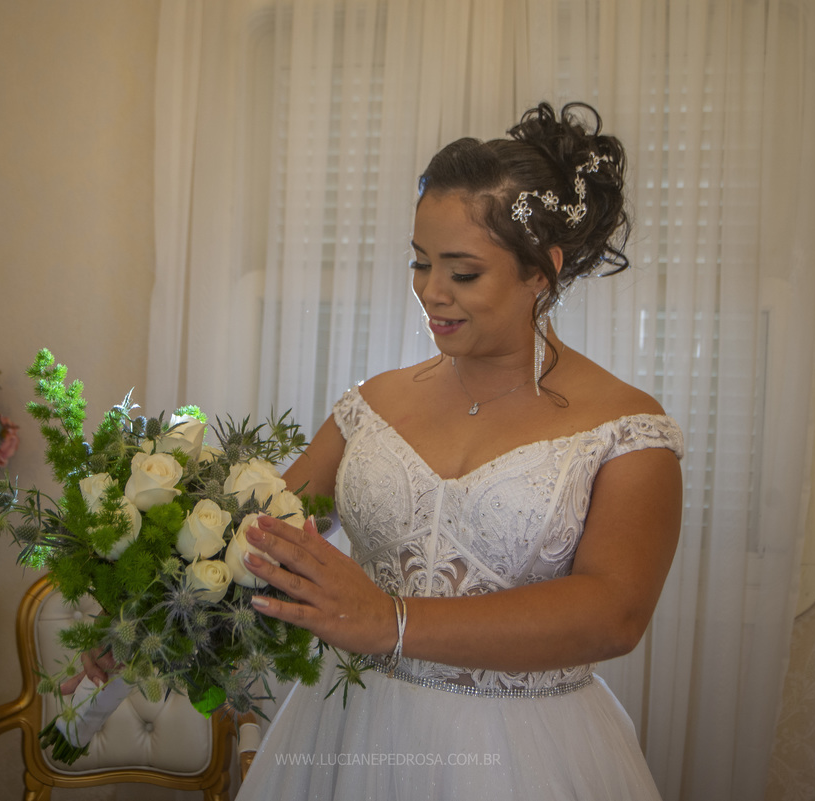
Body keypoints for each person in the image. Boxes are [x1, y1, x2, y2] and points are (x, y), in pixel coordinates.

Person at [229, 101, 684, 800]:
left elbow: (614, 614)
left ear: (542, 272)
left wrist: (392, 621)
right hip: (347, 732)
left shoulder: (627, 427)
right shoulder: (374, 402)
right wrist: (156, 595)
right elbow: (271, 537)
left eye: (463, 272)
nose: (431, 293)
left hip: (521, 753)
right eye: (420, 262)